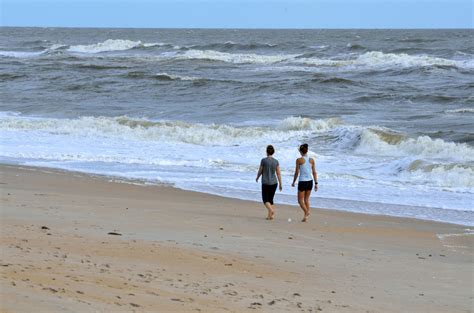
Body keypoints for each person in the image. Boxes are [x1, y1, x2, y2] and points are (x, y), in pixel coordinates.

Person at [291, 143, 318, 222]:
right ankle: (305, 217)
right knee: (306, 200)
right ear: (307, 151)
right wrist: (316, 183)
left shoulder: (299, 160)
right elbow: (314, 172)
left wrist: (293, 182)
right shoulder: (311, 160)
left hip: (302, 181)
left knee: (300, 201)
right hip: (310, 181)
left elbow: (297, 172)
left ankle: (306, 212)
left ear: (300, 151)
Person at [256, 145, 282, 220]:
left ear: (266, 152)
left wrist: (257, 177)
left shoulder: (263, 160)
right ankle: (270, 216)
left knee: (265, 200)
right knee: (270, 199)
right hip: (274, 183)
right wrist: (280, 183)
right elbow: (278, 173)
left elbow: (260, 171)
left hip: (266, 182)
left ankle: (271, 211)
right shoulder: (276, 161)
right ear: (273, 152)